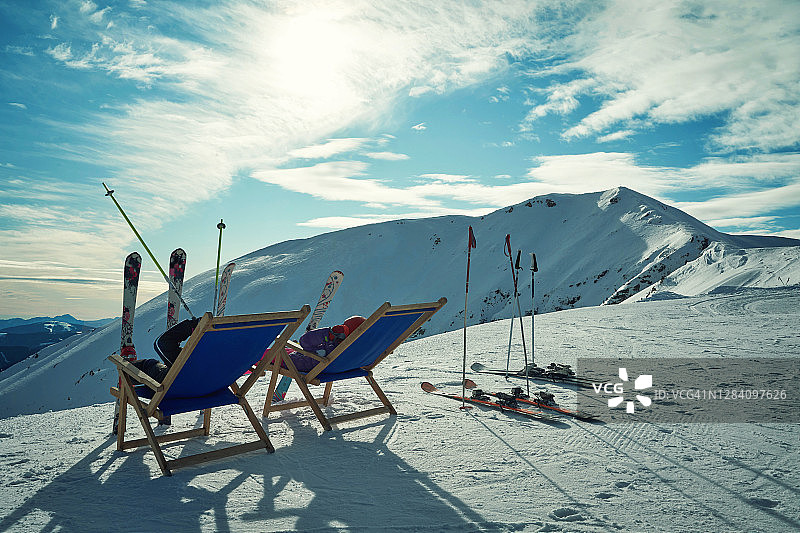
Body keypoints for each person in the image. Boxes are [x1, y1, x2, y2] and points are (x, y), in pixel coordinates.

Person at [278, 315, 366, 372]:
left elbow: (304, 341)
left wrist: (328, 334)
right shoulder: (356, 354)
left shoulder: (333, 348)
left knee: (271, 353)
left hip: (294, 361)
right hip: (332, 368)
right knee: (289, 350)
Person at [131, 317, 200, 382]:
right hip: (203, 385)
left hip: (177, 381)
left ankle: (127, 375)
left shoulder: (188, 365)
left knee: (147, 366)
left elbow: (162, 343)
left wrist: (192, 325)